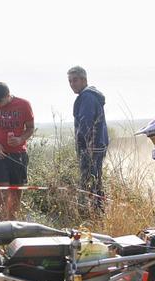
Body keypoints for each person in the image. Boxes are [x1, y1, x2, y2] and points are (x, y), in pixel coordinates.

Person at [0, 82, 35, 221]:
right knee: (3, 193)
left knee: (16, 194)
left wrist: (20, 139)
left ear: (8, 95)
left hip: (18, 154)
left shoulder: (24, 105)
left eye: (0, 103)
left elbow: (30, 128)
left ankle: (13, 224)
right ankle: (1, 226)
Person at [67, 66, 109, 214]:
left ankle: (93, 213)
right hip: (96, 145)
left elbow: (85, 124)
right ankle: (97, 212)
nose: (72, 84)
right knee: (95, 180)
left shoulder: (87, 97)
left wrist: (82, 146)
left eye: (75, 80)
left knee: (89, 181)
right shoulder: (89, 96)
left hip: (91, 147)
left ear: (84, 80)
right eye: (70, 81)